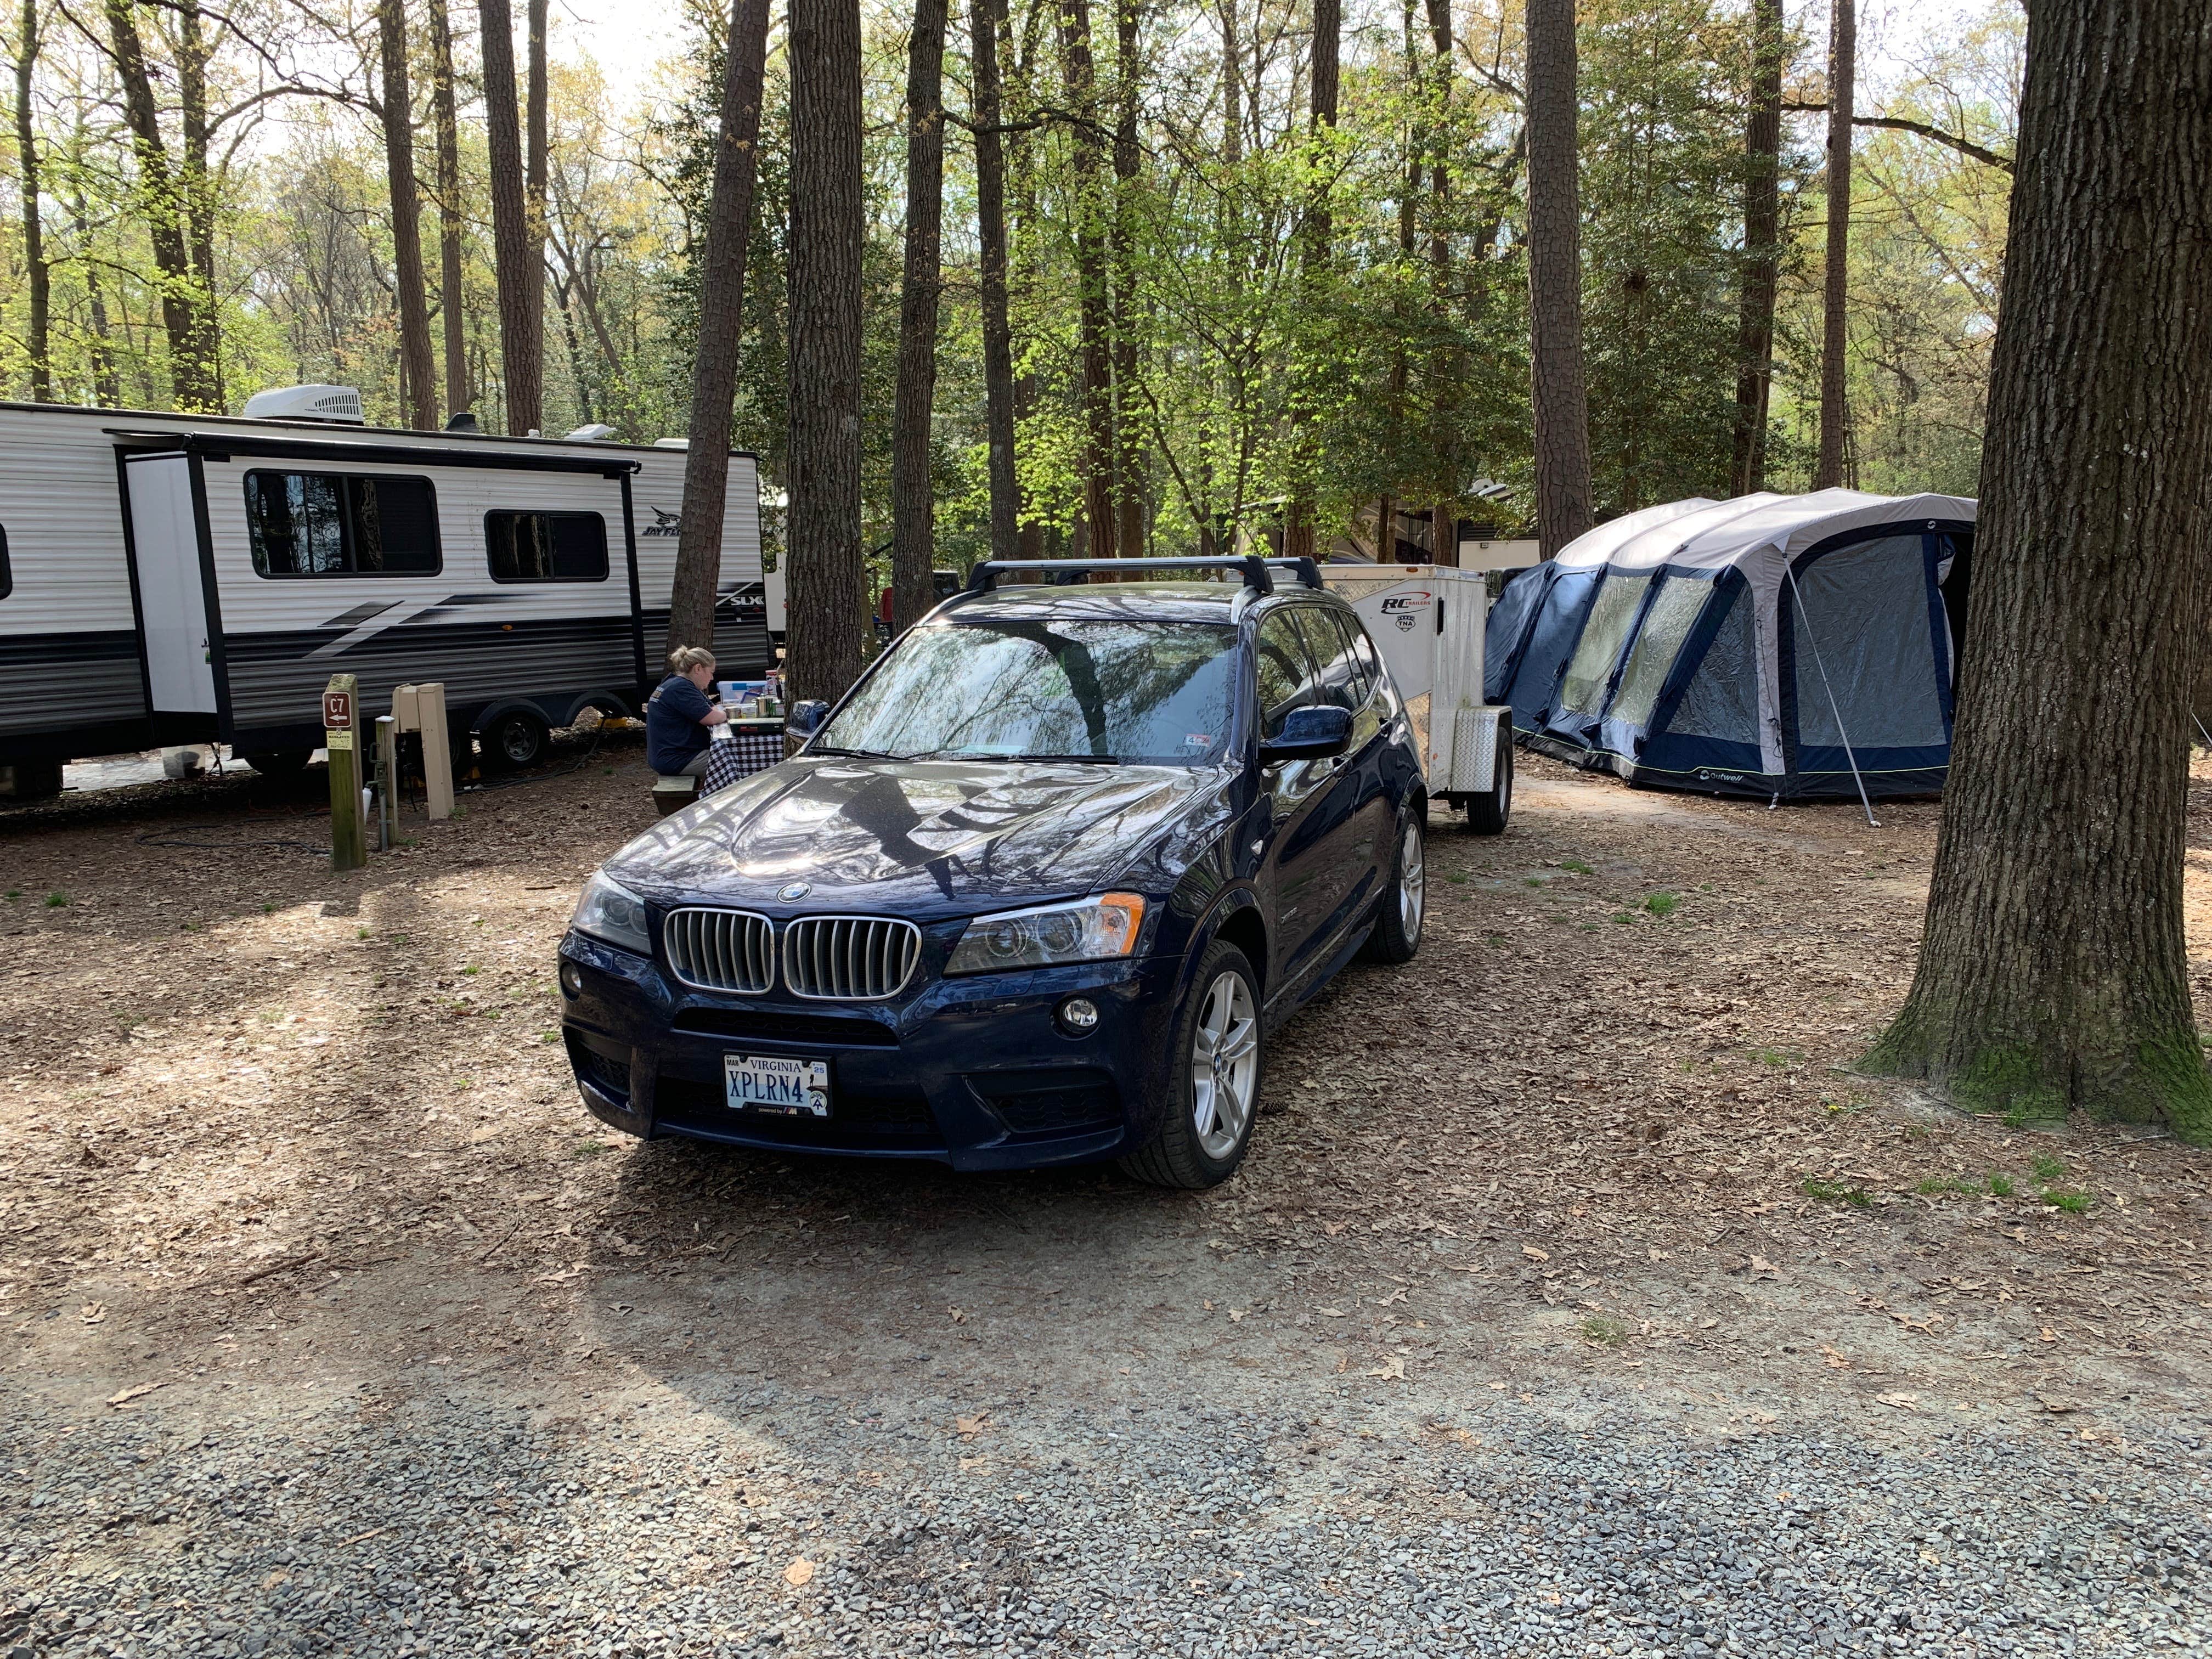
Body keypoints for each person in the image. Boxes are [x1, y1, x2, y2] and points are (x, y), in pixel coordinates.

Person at [647, 646, 728, 777]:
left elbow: (712, 708)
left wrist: (719, 713)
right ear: (698, 668)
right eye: (711, 672)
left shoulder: (676, 683)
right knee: (738, 762)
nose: (712, 678)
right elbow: (712, 718)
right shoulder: (681, 688)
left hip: (673, 756)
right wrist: (728, 714)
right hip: (679, 760)